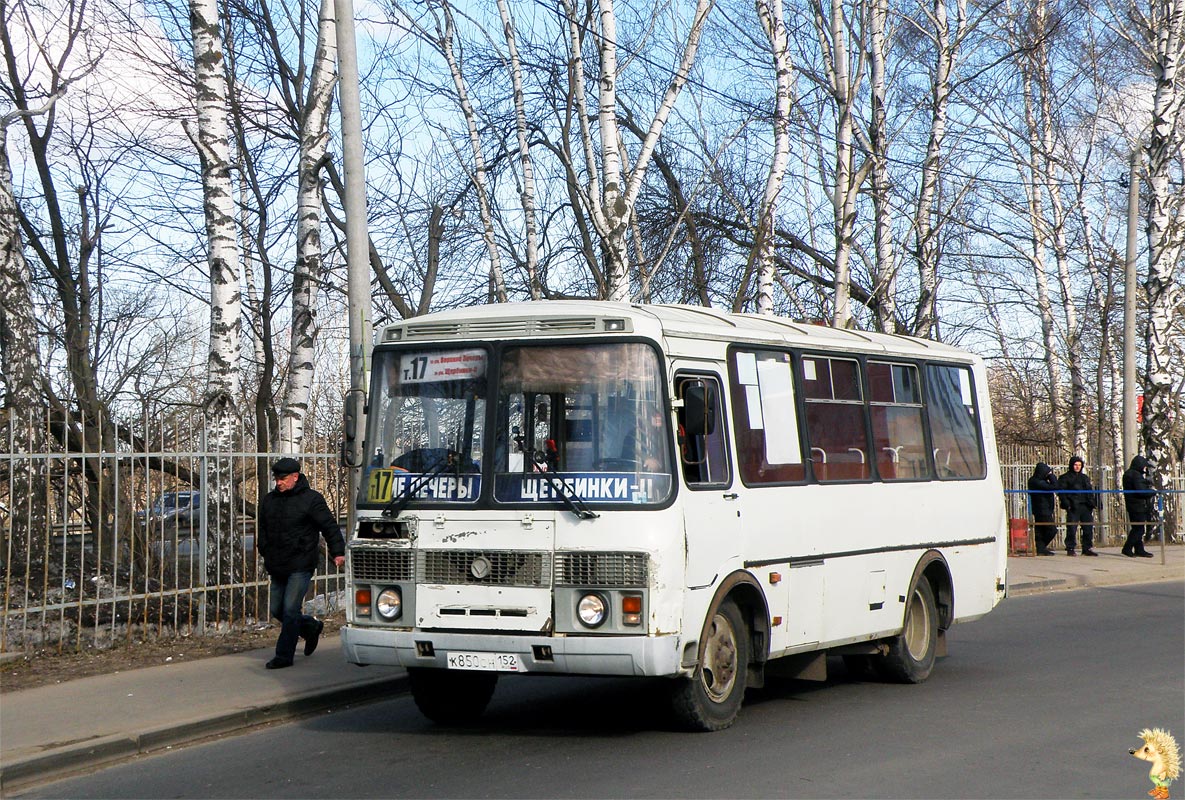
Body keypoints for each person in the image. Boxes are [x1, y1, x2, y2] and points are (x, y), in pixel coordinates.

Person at [258, 457, 346, 669]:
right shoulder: (269, 501)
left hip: (300, 563)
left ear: (295, 477)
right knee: (277, 610)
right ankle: (310, 627)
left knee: (290, 609)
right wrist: (264, 550)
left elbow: (329, 526)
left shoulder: (311, 499)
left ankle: (284, 656)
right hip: (277, 563)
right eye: (276, 479)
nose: (279, 483)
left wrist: (338, 552)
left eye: (283, 479)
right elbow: (263, 530)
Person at [1057, 456, 1097, 556]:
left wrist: (1092, 502)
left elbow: (1089, 491)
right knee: (1072, 528)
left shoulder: (1084, 477)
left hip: (1086, 506)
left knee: (1088, 528)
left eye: (1079, 465)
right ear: (1071, 465)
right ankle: (1070, 548)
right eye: (1075, 465)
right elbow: (1061, 492)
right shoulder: (1065, 477)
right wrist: (1066, 503)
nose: (1077, 467)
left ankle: (1087, 548)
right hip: (1073, 506)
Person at [1121, 455, 1157, 558]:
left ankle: (1139, 549)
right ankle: (1127, 548)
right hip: (1137, 505)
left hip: (1132, 504)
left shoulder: (1128, 474)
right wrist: (1152, 492)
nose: (1145, 469)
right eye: (1144, 467)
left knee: (1137, 527)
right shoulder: (1136, 475)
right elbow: (1141, 491)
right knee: (1139, 529)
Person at [1027, 462, 1059, 555]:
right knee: (1051, 529)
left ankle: (1041, 549)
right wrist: (1052, 476)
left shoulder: (1039, 481)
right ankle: (1041, 547)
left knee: (1040, 530)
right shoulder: (1036, 481)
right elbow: (1054, 486)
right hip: (1041, 509)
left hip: (1044, 508)